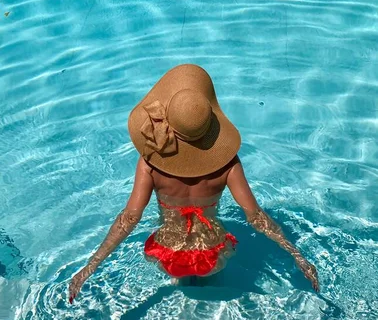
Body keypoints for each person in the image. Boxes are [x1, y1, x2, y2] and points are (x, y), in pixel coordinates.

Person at [69, 64, 319, 303]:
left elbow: (130, 218)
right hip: (213, 253)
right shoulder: (228, 165)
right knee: (213, 291)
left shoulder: (150, 164)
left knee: (182, 294)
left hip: (170, 254)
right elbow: (255, 216)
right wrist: (297, 255)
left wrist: (90, 267)